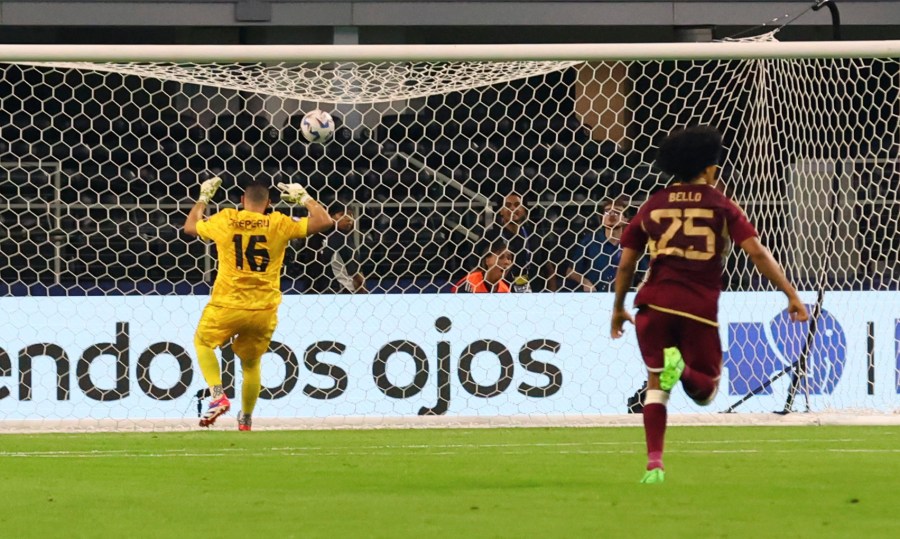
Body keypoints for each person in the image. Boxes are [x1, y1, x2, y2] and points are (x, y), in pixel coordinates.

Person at [610, 126, 809, 484]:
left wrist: (617, 307)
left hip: (653, 304)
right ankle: (682, 370)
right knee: (705, 393)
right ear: (709, 168)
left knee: (656, 384)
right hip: (696, 306)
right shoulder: (720, 204)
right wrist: (791, 294)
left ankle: (654, 462)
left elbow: (626, 263)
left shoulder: (653, 204)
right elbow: (757, 254)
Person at [183, 176, 333, 431]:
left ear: (242, 201)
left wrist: (203, 199)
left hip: (227, 304)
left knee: (203, 342)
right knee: (251, 364)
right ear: (269, 203)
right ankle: (246, 419)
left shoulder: (227, 219)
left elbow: (190, 227)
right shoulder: (278, 223)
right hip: (263, 309)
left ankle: (218, 395)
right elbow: (325, 222)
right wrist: (305, 197)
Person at [565, 197, 647, 292]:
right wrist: (585, 282)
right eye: (607, 212)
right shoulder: (590, 241)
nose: (611, 215)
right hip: (595, 297)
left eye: (617, 212)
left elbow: (646, 272)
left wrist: (641, 285)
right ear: (602, 218)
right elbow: (570, 272)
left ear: (625, 219)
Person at [302, 202, 367, 294]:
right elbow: (357, 277)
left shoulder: (313, 238)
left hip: (313, 293)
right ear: (330, 216)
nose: (349, 219)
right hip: (342, 294)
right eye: (342, 214)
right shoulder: (342, 239)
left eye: (350, 214)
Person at [483, 193, 540, 292]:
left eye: (517, 205)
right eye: (508, 205)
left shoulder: (534, 235)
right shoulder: (490, 236)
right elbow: (479, 268)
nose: (513, 208)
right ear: (501, 211)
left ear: (524, 209)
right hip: (501, 292)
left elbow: (548, 268)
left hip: (534, 291)